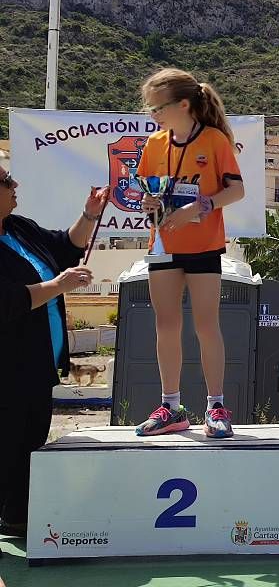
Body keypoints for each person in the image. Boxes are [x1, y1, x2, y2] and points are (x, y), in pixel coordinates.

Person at [134, 68, 245, 439]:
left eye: (157, 107)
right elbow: (149, 193)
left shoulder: (213, 141)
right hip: (163, 245)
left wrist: (201, 207)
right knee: (166, 326)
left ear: (183, 104)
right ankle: (171, 406)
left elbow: (236, 191)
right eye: (150, 109)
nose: (153, 115)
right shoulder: (154, 145)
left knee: (206, 325)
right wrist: (149, 202)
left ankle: (215, 406)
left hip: (204, 246)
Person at [0, 166, 108, 536]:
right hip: (7, 371)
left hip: (36, 366)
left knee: (29, 447)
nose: (16, 185)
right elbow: (8, 301)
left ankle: (17, 519)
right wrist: (58, 285)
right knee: (6, 448)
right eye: (6, 181)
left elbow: (65, 246)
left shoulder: (18, 227)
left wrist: (90, 214)